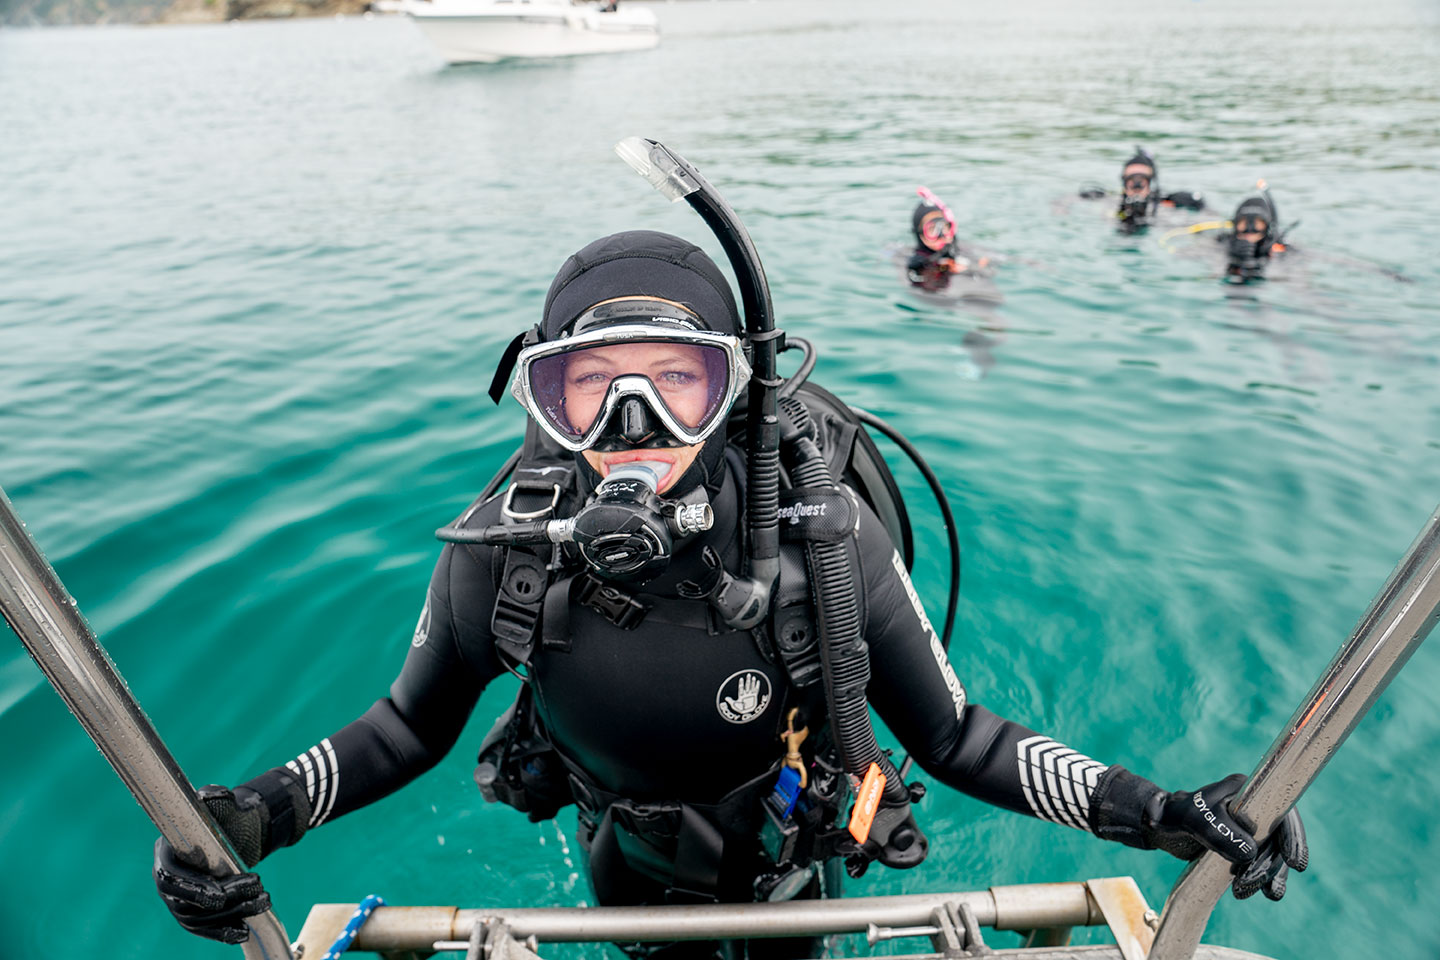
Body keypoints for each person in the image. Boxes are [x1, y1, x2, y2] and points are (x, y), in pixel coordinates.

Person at [153, 175, 1307, 958]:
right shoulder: (506, 546)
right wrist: (256, 814)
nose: (637, 419)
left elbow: (961, 738)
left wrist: (1156, 811)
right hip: (616, 839)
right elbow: (404, 730)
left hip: (789, 848)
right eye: (592, 387)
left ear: (736, 389)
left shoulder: (820, 540)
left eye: (679, 381)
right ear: (544, 400)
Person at [1079, 148, 1207, 231]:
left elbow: (1203, 217)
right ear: (1123, 181)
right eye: (1131, 180)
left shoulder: (1165, 204)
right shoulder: (1110, 201)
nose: (1136, 186)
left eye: (1142, 180)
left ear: (1150, 182)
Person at [905, 187, 995, 289]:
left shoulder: (956, 248)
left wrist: (973, 268)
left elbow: (988, 259)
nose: (940, 235)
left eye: (943, 226)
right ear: (919, 234)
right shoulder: (915, 263)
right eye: (932, 229)